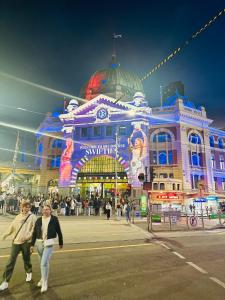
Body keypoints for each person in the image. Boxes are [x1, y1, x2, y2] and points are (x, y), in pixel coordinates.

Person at [0, 202, 36, 292]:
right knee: (10, 262)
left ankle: (29, 272)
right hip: (16, 242)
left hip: (26, 242)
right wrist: (4, 235)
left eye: (28, 207)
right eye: (25, 207)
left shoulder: (32, 217)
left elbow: (35, 229)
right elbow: (11, 227)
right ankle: (5, 281)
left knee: (26, 259)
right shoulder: (18, 216)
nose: (26, 209)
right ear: (22, 207)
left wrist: (28, 237)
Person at [30, 205, 63, 293]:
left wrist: (60, 242)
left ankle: (44, 282)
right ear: (42, 211)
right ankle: (42, 278)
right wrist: (32, 245)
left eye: (47, 209)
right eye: (44, 209)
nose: (45, 211)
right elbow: (34, 233)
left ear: (50, 210)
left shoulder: (54, 219)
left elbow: (59, 231)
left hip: (49, 243)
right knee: (43, 263)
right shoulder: (38, 220)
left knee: (43, 262)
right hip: (39, 243)